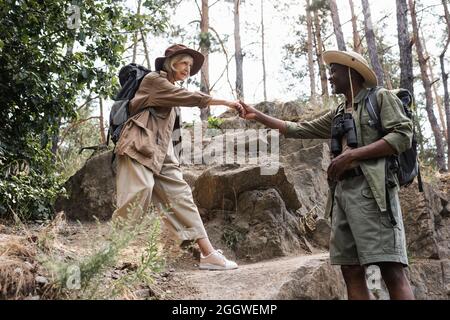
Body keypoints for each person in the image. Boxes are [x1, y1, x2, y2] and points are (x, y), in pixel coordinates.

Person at [238, 50, 415, 299]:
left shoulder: (381, 98)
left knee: (391, 268)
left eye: (334, 71)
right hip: (342, 196)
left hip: (376, 196)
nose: (330, 77)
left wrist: (352, 155)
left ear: (351, 71)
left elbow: (402, 135)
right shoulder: (339, 112)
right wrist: (257, 115)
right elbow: (299, 129)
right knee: (350, 269)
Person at [112, 44, 242, 270]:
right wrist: (225, 102)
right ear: (171, 63)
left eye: (190, 66)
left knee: (181, 197)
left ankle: (208, 254)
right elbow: (189, 97)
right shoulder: (154, 81)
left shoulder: (169, 90)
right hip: (139, 144)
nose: (187, 69)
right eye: (184, 63)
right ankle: (109, 251)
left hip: (162, 153)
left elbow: (171, 132)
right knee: (139, 192)